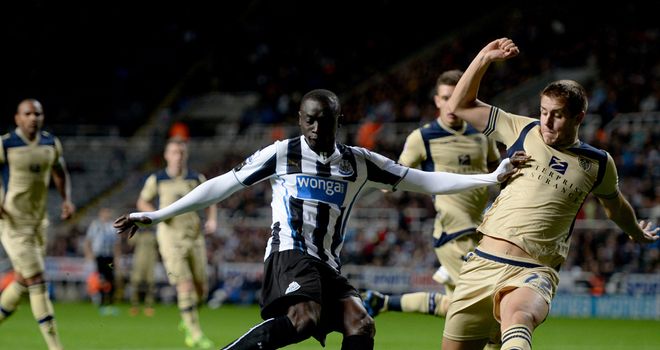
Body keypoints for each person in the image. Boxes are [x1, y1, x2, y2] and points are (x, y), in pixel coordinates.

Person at [114, 89, 529, 350]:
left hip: (326, 264)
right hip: (289, 254)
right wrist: (157, 214)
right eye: (308, 119)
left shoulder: (358, 162)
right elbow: (222, 186)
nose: (315, 127)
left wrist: (491, 177)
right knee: (305, 316)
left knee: (361, 325)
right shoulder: (282, 153)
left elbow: (422, 180)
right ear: (299, 120)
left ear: (338, 121)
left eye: (324, 120)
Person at [440, 38, 659, 350]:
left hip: (534, 269)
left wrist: (635, 231)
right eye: (543, 112)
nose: (547, 121)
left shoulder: (597, 163)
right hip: (482, 263)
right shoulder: (523, 130)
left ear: (578, 117)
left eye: (556, 114)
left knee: (519, 317)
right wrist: (483, 59)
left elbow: (615, 206)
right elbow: (459, 106)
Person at [362, 70, 501, 329]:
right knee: (487, 305)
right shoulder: (422, 138)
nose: (451, 104)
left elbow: (499, 176)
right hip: (454, 234)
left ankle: (382, 302)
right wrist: (379, 179)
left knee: (455, 304)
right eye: (446, 98)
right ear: (437, 100)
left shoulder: (482, 137)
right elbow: (393, 178)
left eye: (456, 97)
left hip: (482, 233)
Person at [0, 98, 75, 350]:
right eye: (28, 114)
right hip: (12, 224)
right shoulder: (5, 144)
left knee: (22, 280)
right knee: (37, 279)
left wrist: (66, 199)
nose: (33, 118)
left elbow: (60, 171)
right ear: (18, 118)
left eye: (37, 114)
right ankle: (56, 347)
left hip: (38, 223)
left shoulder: (50, 143)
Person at [136, 138, 217, 349]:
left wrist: (212, 219)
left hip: (194, 236)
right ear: (166, 155)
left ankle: (187, 315)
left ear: (186, 155)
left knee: (201, 289)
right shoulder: (157, 178)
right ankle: (194, 333)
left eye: (181, 153)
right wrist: (155, 215)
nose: (178, 157)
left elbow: (211, 199)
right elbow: (143, 201)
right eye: (174, 152)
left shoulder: (196, 178)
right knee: (185, 284)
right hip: (169, 238)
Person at [84, 207, 121, 316]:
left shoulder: (113, 226)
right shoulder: (95, 225)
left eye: (107, 213)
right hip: (99, 256)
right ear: (100, 214)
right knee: (100, 279)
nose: (106, 215)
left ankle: (110, 304)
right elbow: (88, 241)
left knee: (110, 279)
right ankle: (101, 304)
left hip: (109, 256)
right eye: (104, 213)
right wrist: (89, 254)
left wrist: (117, 258)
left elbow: (116, 244)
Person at [128, 228, 158, 317]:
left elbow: (160, 242)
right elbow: (130, 242)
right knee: (135, 282)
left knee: (151, 283)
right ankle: (134, 305)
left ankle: (149, 306)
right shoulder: (138, 233)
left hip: (151, 261)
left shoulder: (154, 233)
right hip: (139, 261)